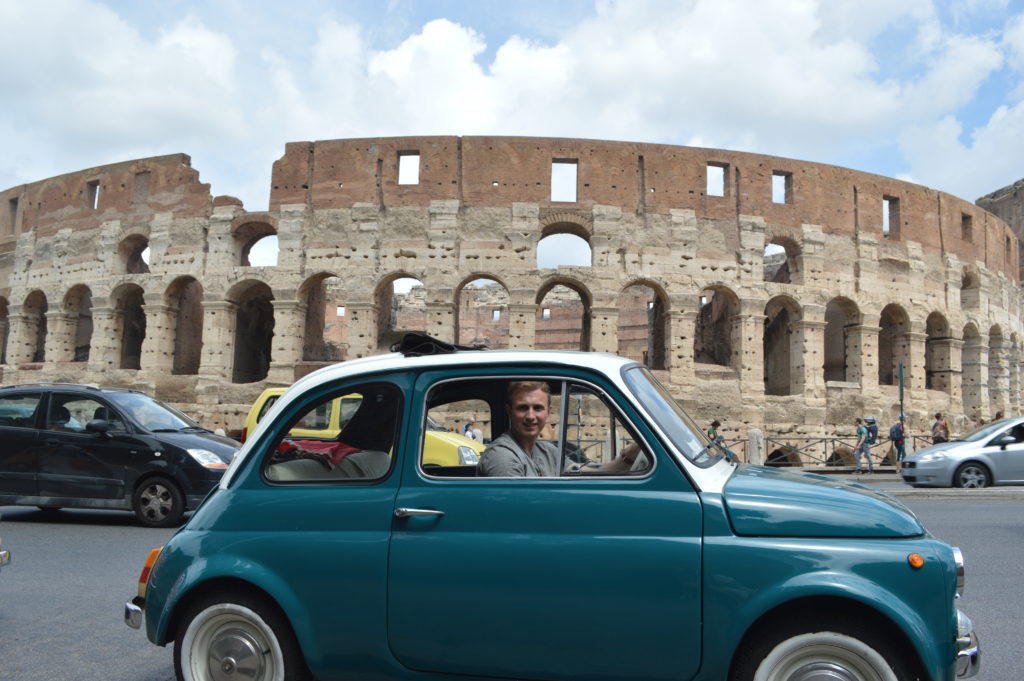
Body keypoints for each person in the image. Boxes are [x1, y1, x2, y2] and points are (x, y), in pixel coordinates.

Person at [478, 381, 638, 477]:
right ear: (509, 411)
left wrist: (630, 456)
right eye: (522, 408)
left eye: (538, 408)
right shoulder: (502, 457)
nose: (530, 416)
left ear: (549, 411)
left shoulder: (548, 451)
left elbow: (592, 475)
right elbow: (519, 513)